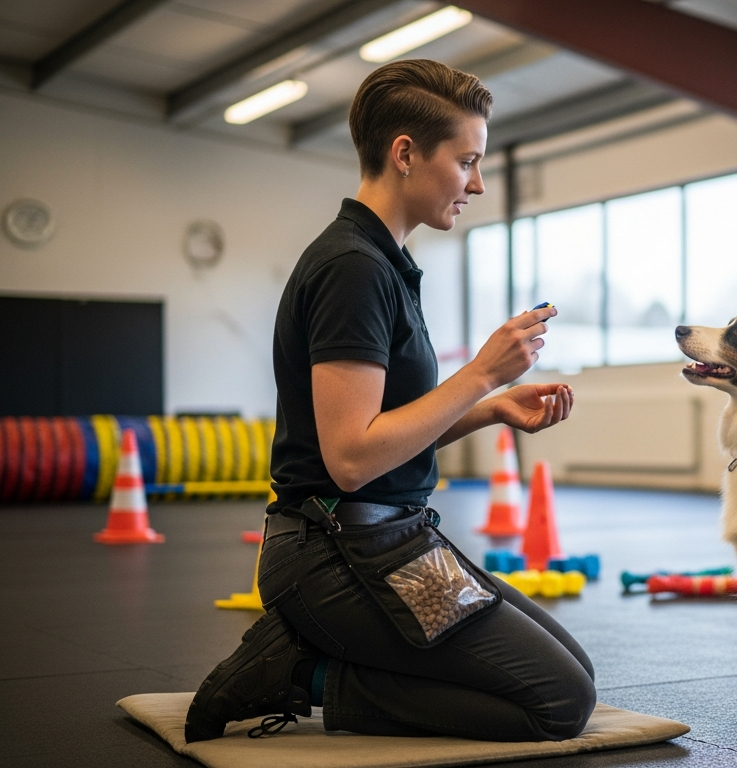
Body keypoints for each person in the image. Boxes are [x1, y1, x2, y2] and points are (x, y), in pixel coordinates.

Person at [184, 60, 595, 743]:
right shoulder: (354, 268)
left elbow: (384, 434)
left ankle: (313, 655)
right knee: (557, 701)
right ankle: (302, 671)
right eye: (467, 161)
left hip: (390, 540)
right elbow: (351, 460)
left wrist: (492, 406)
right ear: (405, 154)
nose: (477, 183)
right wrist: (481, 376)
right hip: (335, 556)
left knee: (571, 673)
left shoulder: (383, 262)